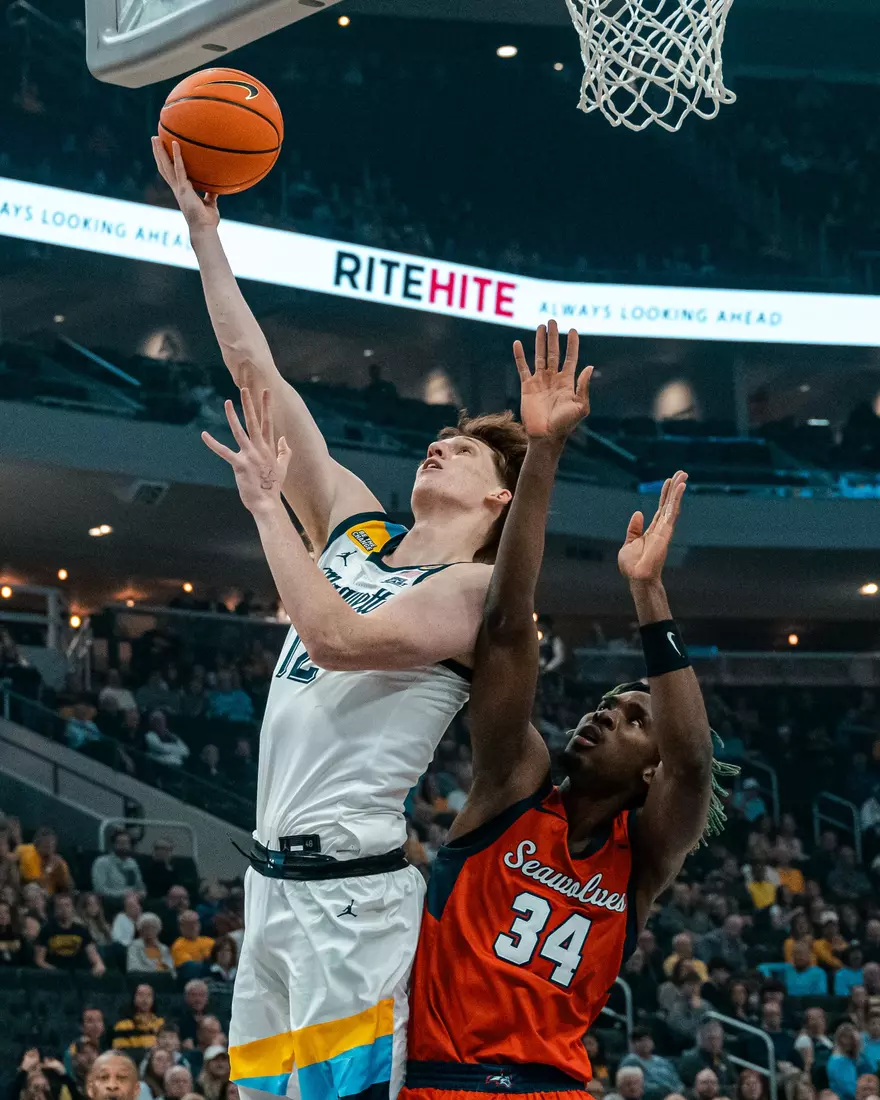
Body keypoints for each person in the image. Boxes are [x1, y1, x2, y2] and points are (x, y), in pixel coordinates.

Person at [153, 138, 531, 1100]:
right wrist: (206, 240)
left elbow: (334, 637)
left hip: (350, 903)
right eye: (441, 438)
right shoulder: (359, 521)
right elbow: (259, 376)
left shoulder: (471, 592)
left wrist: (267, 509)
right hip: (271, 887)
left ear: (500, 503)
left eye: (467, 451)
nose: (440, 444)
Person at [400, 325, 737, 1099]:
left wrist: (649, 597)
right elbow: (506, 628)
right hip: (437, 1079)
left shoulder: (642, 859)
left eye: (632, 719)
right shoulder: (515, 783)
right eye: (607, 706)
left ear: (650, 770)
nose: (602, 718)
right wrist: (543, 451)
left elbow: (694, 763)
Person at [35, 892, 106, 975]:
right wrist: (56, 972)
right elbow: (39, 961)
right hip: (54, 975)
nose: (64, 909)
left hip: (77, 974)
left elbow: (93, 955)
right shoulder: (46, 930)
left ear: (72, 908)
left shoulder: (81, 930)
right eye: (60, 906)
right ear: (55, 910)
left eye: (67, 905)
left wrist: (99, 964)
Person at [620, 1028, 684, 1100]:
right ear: (633, 1044)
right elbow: (635, 1087)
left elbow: (676, 1081)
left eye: (648, 1040)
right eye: (641, 1040)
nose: (645, 1043)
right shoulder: (631, 1061)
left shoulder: (662, 1061)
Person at [680, 1022, 738, 1093]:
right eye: (711, 1038)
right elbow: (698, 1088)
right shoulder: (690, 1058)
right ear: (701, 1039)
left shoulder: (722, 1056)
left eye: (718, 1038)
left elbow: (734, 1080)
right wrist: (728, 1090)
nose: (715, 1042)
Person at [92, 830, 147, 903]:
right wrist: (124, 894)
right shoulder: (102, 862)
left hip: (133, 900)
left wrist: (142, 893)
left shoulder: (132, 862)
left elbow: (140, 885)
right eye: (120, 842)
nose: (123, 846)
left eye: (126, 843)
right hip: (111, 901)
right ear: (114, 844)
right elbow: (100, 890)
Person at [17, 827, 73, 895]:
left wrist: (62, 871)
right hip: (30, 895)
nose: (50, 849)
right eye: (46, 845)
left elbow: (69, 887)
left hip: (51, 898)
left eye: (53, 845)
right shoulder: (29, 854)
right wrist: (49, 868)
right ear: (37, 844)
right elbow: (36, 886)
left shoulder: (57, 861)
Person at [112, 983, 165, 1051]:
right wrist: (148, 1051)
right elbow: (121, 1052)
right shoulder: (122, 1025)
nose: (145, 999)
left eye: (149, 995)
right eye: (141, 995)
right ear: (133, 998)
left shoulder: (161, 1023)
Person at [827, 1025, 874, 1100]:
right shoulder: (838, 1062)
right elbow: (849, 1090)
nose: (855, 1044)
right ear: (843, 1039)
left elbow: (870, 1071)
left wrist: (859, 1052)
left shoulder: (849, 1059)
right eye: (852, 1039)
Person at [170, 911, 214, 975]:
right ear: (181, 927)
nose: (193, 927)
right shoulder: (178, 945)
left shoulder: (210, 941)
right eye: (189, 924)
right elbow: (190, 968)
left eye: (195, 923)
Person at [795, 1009, 834, 1078]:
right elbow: (808, 1064)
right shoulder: (804, 1039)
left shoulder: (828, 1040)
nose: (818, 1022)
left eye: (820, 1018)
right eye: (813, 1019)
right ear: (807, 1023)